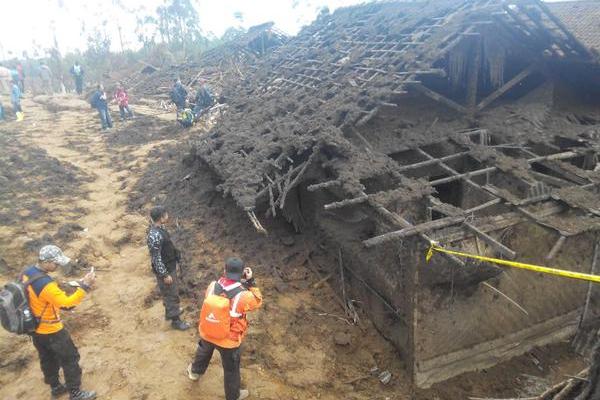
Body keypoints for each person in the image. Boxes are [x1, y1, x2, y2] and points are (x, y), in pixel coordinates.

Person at [23, 245, 97, 400]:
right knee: (70, 358)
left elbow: (46, 294)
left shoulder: (28, 273)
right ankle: (75, 393)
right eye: (55, 264)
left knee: (47, 358)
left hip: (34, 328)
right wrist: (84, 286)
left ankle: (55, 387)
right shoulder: (46, 284)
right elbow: (67, 304)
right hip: (52, 330)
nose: (57, 267)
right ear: (46, 262)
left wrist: (76, 283)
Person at [187, 257, 263, 400]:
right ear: (242, 274)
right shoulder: (244, 296)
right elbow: (258, 301)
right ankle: (233, 396)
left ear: (224, 270)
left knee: (202, 354)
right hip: (229, 340)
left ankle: (194, 373)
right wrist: (250, 282)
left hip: (208, 332)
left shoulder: (212, 286)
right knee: (231, 370)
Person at [146, 206, 190, 330]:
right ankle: (176, 321)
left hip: (169, 265)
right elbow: (156, 258)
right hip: (166, 270)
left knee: (170, 292)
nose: (167, 216)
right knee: (171, 294)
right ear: (161, 218)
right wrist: (164, 274)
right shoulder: (155, 235)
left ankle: (170, 313)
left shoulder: (160, 229)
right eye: (166, 214)